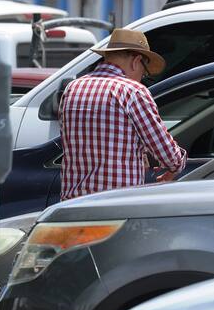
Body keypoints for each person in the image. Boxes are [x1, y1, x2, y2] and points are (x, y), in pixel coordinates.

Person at [58, 28, 187, 201]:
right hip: (115, 206)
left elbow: (76, 142)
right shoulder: (132, 91)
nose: (142, 77)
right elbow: (168, 154)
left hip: (72, 205)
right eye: (145, 71)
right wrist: (177, 164)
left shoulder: (73, 89)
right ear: (136, 61)